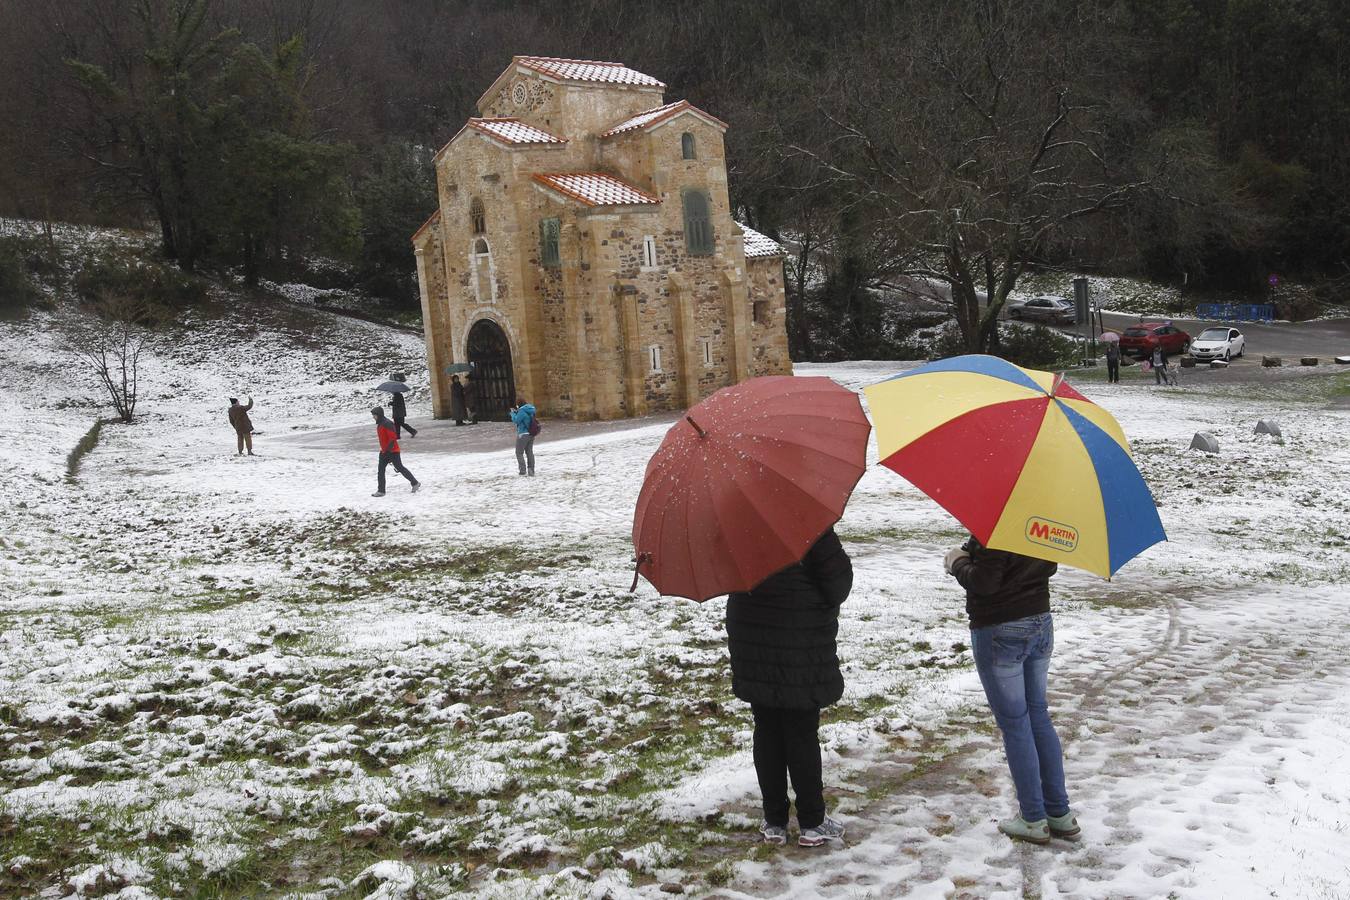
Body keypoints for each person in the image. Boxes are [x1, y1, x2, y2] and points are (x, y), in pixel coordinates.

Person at [944, 536, 1079, 845]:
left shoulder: (1000, 524)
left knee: (1016, 723)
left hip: (1001, 627)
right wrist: (971, 551)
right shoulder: (1040, 515)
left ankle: (1033, 818)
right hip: (1040, 621)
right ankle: (1059, 813)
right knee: (1038, 715)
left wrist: (958, 563)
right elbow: (1048, 566)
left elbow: (986, 582)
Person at [726, 528, 852, 848]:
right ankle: (812, 821)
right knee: (800, 729)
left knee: (766, 726)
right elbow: (838, 584)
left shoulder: (734, 521)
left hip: (752, 630)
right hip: (800, 635)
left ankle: (774, 821)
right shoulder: (806, 521)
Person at [371, 406, 420, 497]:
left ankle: (415, 483)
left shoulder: (387, 423)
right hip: (384, 451)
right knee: (380, 470)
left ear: (379, 415)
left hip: (393, 451)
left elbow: (393, 438)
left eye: (374, 415)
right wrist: (384, 450)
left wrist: (388, 451)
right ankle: (381, 490)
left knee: (400, 468)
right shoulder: (380, 424)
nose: (373, 417)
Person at [510, 397, 537, 476]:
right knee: (529, 452)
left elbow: (516, 420)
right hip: (531, 433)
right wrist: (517, 412)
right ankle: (531, 469)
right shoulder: (530, 409)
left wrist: (512, 413)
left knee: (519, 452)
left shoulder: (521, 411)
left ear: (518, 404)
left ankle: (522, 470)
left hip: (523, 434)